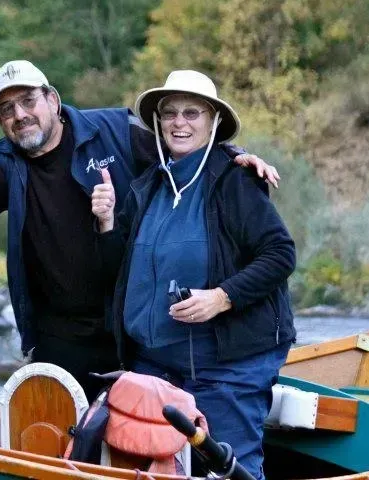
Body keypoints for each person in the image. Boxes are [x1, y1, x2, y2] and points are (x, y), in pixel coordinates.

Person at [0, 60, 279, 401]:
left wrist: (234, 155)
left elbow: (181, 144)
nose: (20, 115)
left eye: (28, 101)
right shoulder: (5, 161)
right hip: (57, 337)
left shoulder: (113, 129)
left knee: (131, 439)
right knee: (64, 444)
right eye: (6, 108)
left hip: (129, 329)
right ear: (0, 120)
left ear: (52, 99)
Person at [92, 70, 296, 480]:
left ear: (212, 122)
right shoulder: (146, 186)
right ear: (158, 122)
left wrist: (221, 297)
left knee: (229, 469)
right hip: (154, 366)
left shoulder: (236, 179)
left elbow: (280, 254)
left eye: (192, 113)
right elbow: (120, 270)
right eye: (170, 114)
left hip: (228, 366)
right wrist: (107, 221)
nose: (179, 122)